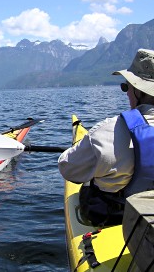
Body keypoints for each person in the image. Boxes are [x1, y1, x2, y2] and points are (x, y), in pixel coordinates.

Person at [58, 48, 154, 226]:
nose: (126, 93)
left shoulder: (108, 132)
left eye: (127, 87)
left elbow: (67, 168)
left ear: (138, 91)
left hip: (118, 217)